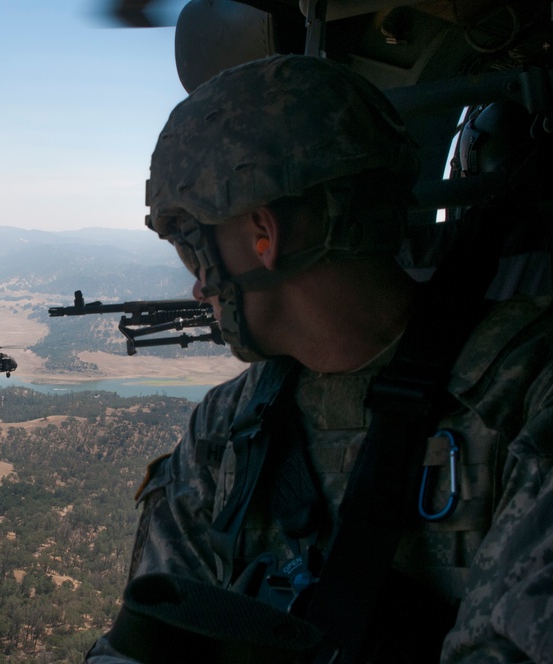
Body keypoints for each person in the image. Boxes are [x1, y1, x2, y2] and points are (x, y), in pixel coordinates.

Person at [86, 54, 553, 663]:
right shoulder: (229, 426)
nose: (200, 287)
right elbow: (153, 640)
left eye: (193, 248)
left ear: (264, 234)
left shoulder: (527, 392)